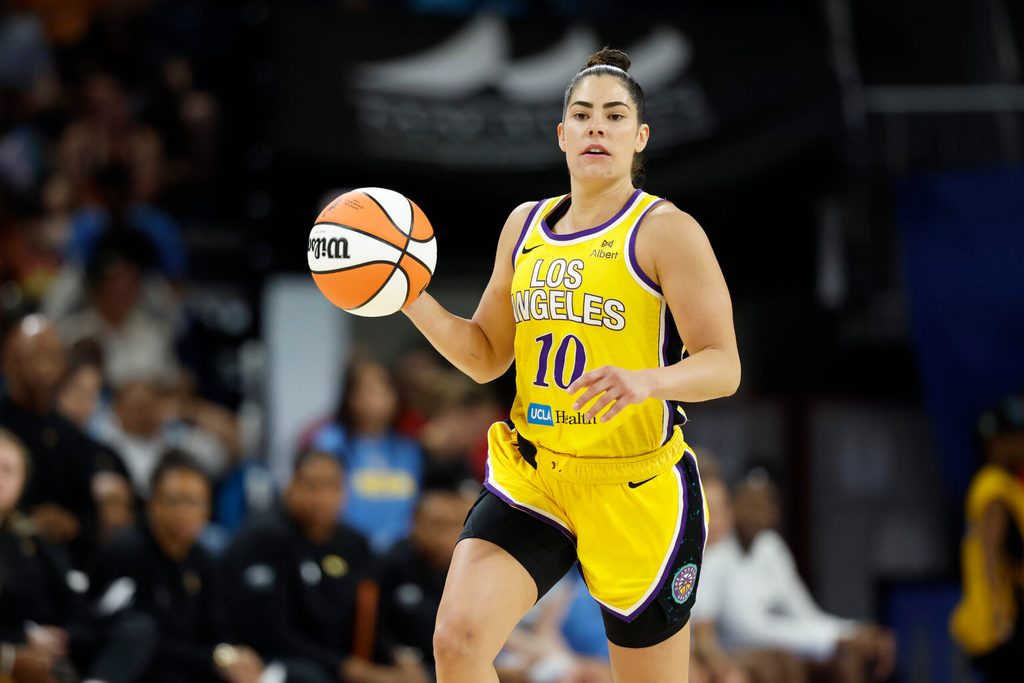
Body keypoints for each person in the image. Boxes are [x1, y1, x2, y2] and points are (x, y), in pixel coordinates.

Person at [401, 48, 741, 682]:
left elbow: (724, 366)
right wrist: (407, 296)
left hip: (634, 487)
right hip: (539, 476)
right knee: (458, 641)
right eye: (582, 115)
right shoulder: (523, 225)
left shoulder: (666, 230)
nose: (596, 128)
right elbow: (484, 356)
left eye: (614, 116)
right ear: (562, 135)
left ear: (639, 137)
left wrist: (650, 380)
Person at [221, 450, 426, 683]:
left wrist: (399, 656)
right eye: (311, 486)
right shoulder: (261, 541)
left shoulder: (355, 544)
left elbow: (371, 620)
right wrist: (349, 669)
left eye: (332, 486)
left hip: (342, 661)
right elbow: (269, 635)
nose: (322, 497)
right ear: (291, 486)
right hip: (271, 662)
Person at [715, 468, 895, 683]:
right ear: (733, 507)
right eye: (751, 504)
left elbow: (804, 613)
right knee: (782, 666)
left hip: (780, 648)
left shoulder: (771, 548)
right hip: (735, 654)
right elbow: (750, 630)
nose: (758, 513)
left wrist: (853, 631)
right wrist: (835, 639)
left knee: (846, 662)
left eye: (766, 504)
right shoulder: (718, 552)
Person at [0, 314, 98, 564]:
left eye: (53, 356)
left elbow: (90, 516)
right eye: (34, 356)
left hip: (60, 562)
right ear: (9, 361)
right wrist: (24, 522)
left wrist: (71, 524)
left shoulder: (72, 436)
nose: (44, 368)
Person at [311, 359, 423, 553]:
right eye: (370, 390)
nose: (381, 398)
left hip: (399, 555)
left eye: (386, 388)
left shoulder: (410, 449)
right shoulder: (330, 444)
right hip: (343, 549)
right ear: (350, 396)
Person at [951, 398, 1024, 682]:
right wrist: (1000, 618)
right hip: (1003, 617)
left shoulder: (1007, 484)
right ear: (996, 442)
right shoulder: (992, 487)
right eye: (1016, 437)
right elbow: (991, 558)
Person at [0, 427, 81, 683]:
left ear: (23, 484)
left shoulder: (30, 539)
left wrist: (59, 637)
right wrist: (12, 654)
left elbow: (70, 602)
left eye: (7, 470)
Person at [375, 476, 477, 674]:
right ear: (415, 524)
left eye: (455, 525)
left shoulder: (468, 569)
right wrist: (397, 654)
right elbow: (374, 627)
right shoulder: (391, 565)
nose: (446, 535)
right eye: (438, 525)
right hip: (398, 666)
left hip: (451, 663)